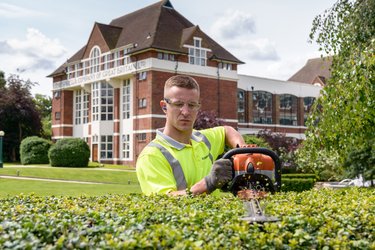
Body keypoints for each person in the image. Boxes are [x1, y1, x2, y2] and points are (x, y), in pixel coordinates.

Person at [136, 75, 246, 196]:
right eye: (178, 104)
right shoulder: (152, 155)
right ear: (164, 106)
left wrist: (243, 151)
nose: (186, 112)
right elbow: (164, 200)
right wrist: (208, 183)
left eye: (192, 105)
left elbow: (227, 131)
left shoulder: (202, 140)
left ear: (198, 106)